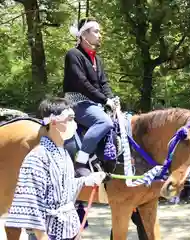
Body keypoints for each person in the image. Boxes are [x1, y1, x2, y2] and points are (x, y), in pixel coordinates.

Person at [5, 97, 106, 240]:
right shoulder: (36, 157)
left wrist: (86, 181)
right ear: (53, 122)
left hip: (69, 229)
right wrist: (42, 236)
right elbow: (30, 201)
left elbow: (64, 188)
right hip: (47, 232)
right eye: (69, 119)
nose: (74, 124)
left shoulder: (63, 153)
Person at [63, 17, 117, 170]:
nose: (100, 35)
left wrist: (112, 99)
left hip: (96, 102)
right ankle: (81, 160)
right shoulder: (73, 54)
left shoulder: (96, 59)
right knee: (104, 122)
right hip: (77, 102)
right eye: (96, 31)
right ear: (84, 35)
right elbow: (82, 83)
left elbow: (104, 83)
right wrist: (105, 99)